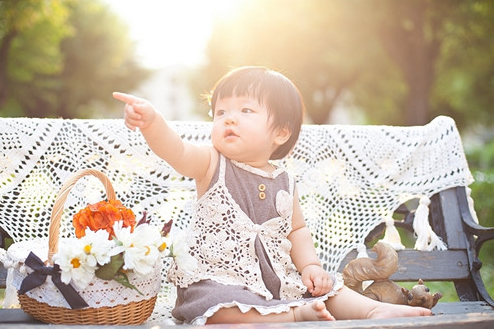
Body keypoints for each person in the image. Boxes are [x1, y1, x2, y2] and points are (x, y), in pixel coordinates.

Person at [113, 66, 432, 324]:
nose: (229, 118)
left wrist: (310, 267)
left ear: (281, 132)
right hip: (218, 280)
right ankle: (296, 314)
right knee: (220, 310)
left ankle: (372, 311)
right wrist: (153, 123)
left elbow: (297, 230)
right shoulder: (211, 163)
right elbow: (177, 150)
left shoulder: (285, 181)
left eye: (246, 109)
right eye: (220, 111)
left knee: (331, 289)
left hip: (277, 282)